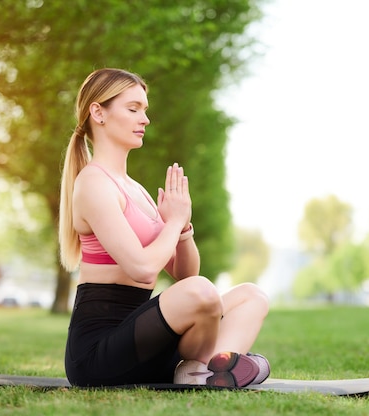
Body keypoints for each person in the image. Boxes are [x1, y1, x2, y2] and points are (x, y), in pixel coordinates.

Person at [59, 68, 270, 388]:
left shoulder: (136, 189)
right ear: (98, 113)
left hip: (148, 338)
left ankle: (198, 369)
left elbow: (184, 274)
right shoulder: (92, 183)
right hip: (100, 354)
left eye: (145, 110)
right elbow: (143, 269)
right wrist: (171, 222)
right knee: (202, 290)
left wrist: (183, 227)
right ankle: (213, 366)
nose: (145, 119)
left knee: (251, 296)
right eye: (133, 109)